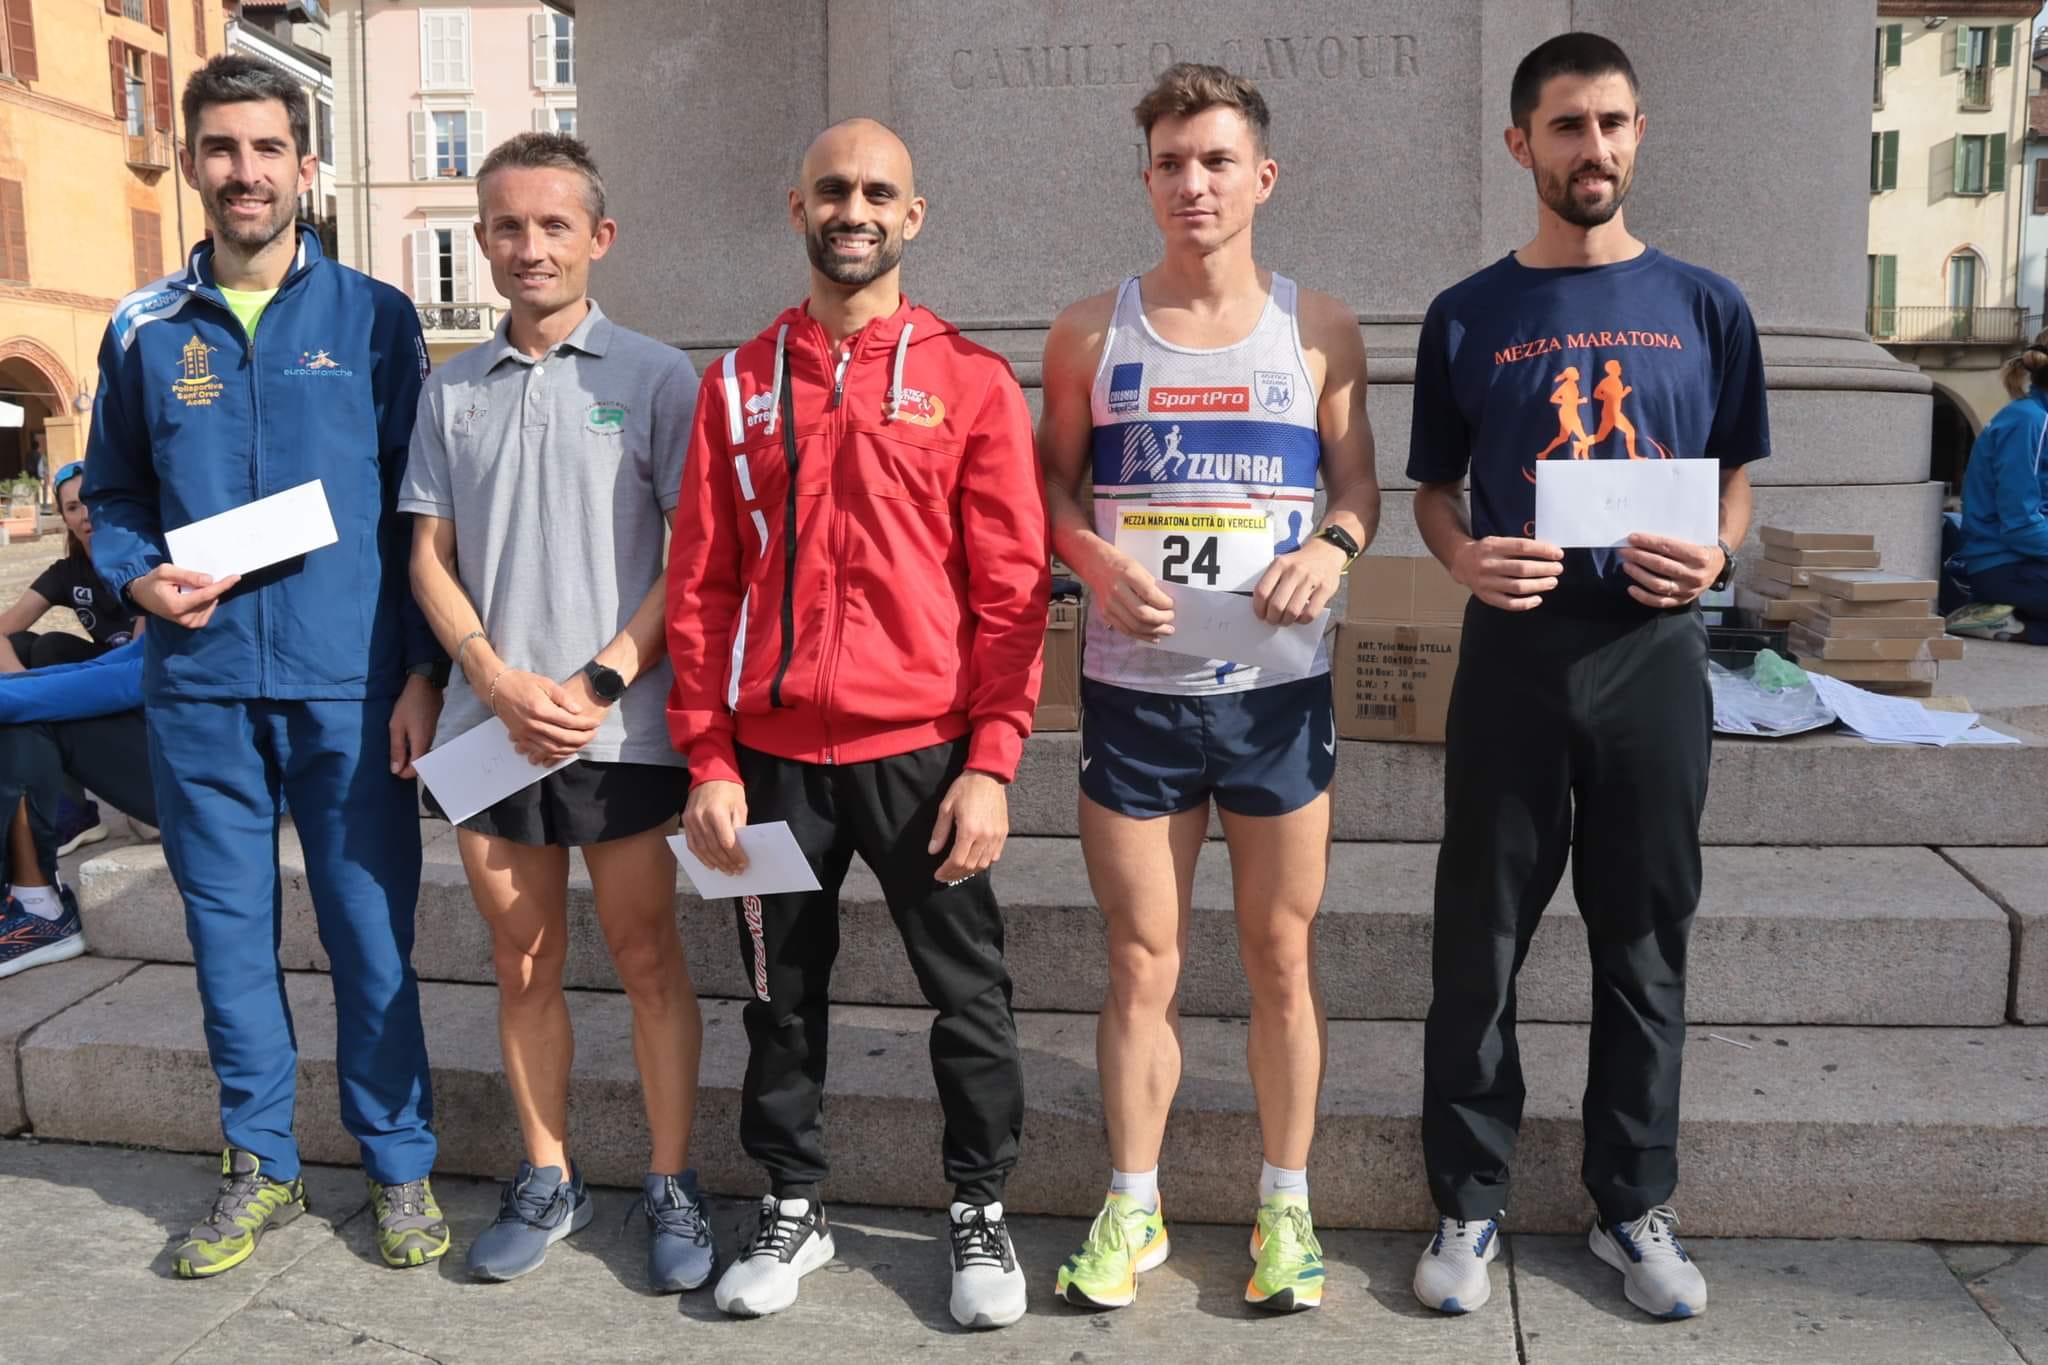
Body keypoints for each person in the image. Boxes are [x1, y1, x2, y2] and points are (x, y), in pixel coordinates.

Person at [1405, 34, 1765, 1321]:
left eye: (1611, 122)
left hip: (1653, 660)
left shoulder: (1707, 304)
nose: (1591, 148)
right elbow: (1432, 498)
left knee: (1643, 938)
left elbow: (1731, 474)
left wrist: (1715, 551)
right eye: (1565, 127)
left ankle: (1631, 1205)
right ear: (1522, 146)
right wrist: (1462, 561)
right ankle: (1467, 1196)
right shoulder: (1466, 313)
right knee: (1480, 940)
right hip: (1515, 655)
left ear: (1637, 132)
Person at [667, 117, 1048, 1328]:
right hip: (773, 765)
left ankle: (978, 1212)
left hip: (924, 759)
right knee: (780, 999)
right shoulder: (733, 384)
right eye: (832, 189)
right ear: (796, 208)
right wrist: (708, 756)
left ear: (912, 216)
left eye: (878, 192)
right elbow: (701, 585)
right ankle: (795, 1204)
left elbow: (1010, 590)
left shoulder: (970, 379)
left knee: (969, 999)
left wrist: (991, 762)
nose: (854, 209)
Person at [82, 54, 449, 1279]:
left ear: (305, 166)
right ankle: (261, 1168)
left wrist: (419, 675)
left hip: (347, 683)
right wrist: (135, 576)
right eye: (222, 150)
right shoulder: (141, 327)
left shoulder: (375, 319)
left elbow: (422, 513)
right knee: (229, 935)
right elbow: (117, 491)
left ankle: (398, 1164)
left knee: (368, 933)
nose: (245, 172)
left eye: (266, 149)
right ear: (192, 163)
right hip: (197, 682)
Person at [1037, 63, 1379, 1315]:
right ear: (1145, 181)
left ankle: (1282, 1207)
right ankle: (1131, 1206)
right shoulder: (1087, 330)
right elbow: (1052, 490)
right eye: (1172, 163)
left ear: (1260, 178)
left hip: (1276, 695)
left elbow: (1357, 487)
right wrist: (1082, 556)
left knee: (1279, 958)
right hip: (1132, 694)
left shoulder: (1318, 328)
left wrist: (1332, 550)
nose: (1194, 183)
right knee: (1140, 960)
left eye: (1216, 161)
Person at [404, 132, 712, 1289]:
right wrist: (487, 679)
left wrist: (594, 683)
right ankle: (548, 1173)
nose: (529, 247)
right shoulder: (449, 389)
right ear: (480, 240)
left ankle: (671, 1183)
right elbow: (426, 557)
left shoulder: (654, 377)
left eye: (552, 226)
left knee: (643, 956)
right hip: (490, 735)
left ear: (599, 237)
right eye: (507, 228)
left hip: (619, 727)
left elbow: (695, 560)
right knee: (521, 961)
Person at [0, 640, 157, 978]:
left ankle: (39, 910)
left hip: (231, 785)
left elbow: (142, 677)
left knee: (23, 717)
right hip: (182, 751)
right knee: (23, 691)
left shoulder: (248, 596)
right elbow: (114, 664)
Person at [1946, 334, 2048, 644]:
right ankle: (1999, 622)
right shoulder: (2030, 421)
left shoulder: (2032, 416)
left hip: (2023, 562)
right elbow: (2020, 524)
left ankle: (2017, 620)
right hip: (2004, 568)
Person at [0, 461, 139, 674]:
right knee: (20, 644)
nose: (85, 515)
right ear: (65, 518)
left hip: (143, 670)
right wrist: (21, 680)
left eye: (91, 502)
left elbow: (140, 652)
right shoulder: (67, 573)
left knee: (50, 647)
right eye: (73, 507)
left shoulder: (144, 559)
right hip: (101, 668)